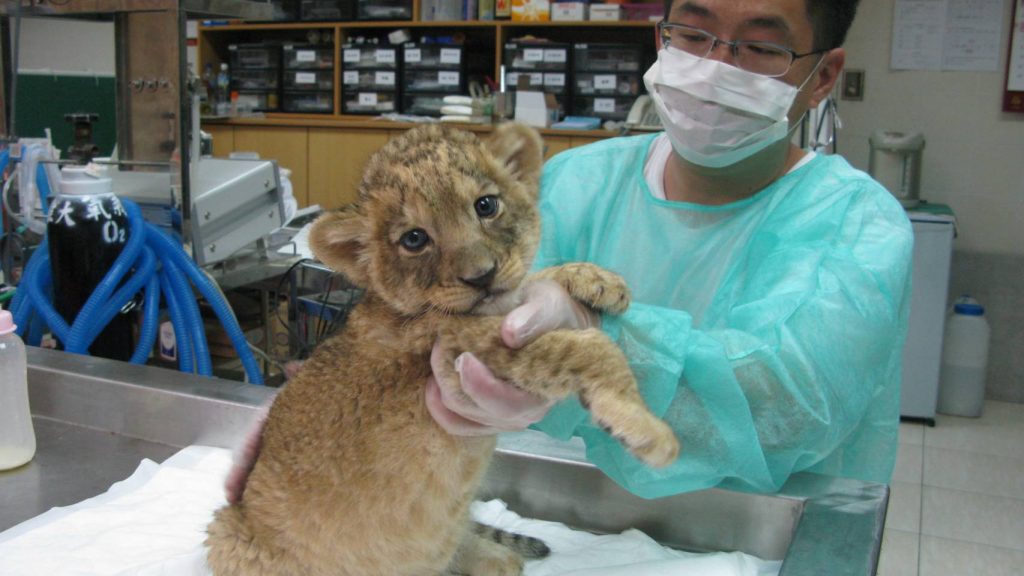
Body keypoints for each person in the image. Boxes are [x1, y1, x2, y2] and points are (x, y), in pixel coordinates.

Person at [228, 0, 912, 503]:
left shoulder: (859, 229)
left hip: (756, 532)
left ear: (822, 77)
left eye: (760, 48)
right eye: (695, 34)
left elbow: (782, 402)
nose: (714, 69)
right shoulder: (582, 179)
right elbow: (453, 323)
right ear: (661, 37)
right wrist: (323, 405)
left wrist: (600, 336)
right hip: (565, 516)